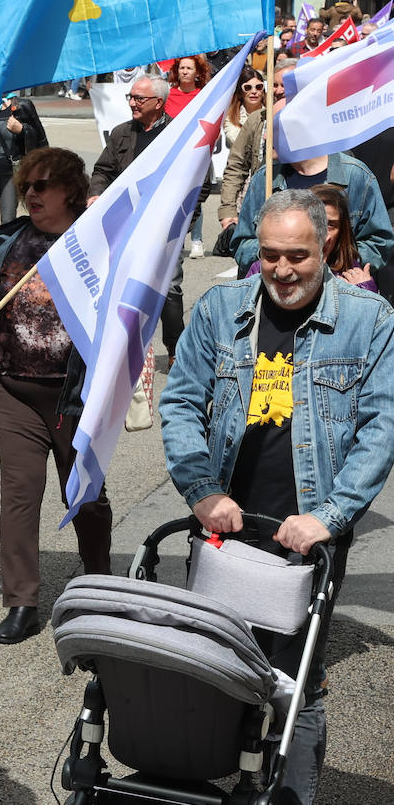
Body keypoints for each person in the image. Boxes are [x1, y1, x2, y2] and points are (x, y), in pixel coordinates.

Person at [160, 188, 394, 805]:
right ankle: (227, 780)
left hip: (307, 535)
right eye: (270, 256)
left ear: (327, 247)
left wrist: (329, 517)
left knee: (296, 680)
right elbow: (181, 401)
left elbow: (382, 427)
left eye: (298, 256)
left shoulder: (369, 322)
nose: (283, 270)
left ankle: (289, 793)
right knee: (219, 665)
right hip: (225, 524)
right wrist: (202, 491)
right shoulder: (220, 309)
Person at [0, 147, 113, 645]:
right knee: (18, 497)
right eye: (27, 185)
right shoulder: (2, 244)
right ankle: (21, 601)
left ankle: (98, 581)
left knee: (85, 493)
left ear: (70, 189)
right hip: (13, 391)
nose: (31, 194)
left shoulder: (96, 245)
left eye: (43, 186)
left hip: (73, 396)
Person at [92, 76, 190, 361]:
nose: (133, 103)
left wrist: (185, 221)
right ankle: (123, 349)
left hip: (165, 228)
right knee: (122, 285)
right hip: (126, 225)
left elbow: (201, 181)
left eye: (139, 98)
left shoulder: (179, 134)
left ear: (158, 103)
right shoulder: (121, 133)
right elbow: (102, 170)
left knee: (168, 287)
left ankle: (175, 350)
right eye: (130, 97)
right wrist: (96, 194)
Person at [232, 149, 393, 277]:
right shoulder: (264, 178)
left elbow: (380, 243)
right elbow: (241, 245)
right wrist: (272, 254)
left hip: (337, 298)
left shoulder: (357, 176)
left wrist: (336, 260)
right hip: (276, 296)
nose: (267, 136)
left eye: (278, 128)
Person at [242, 184, 376, 292]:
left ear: (342, 230)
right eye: (316, 222)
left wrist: (362, 290)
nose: (323, 231)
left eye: (330, 224)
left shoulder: (353, 273)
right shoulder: (262, 269)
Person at [219, 58, 298, 231]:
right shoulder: (258, 119)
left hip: (299, 211)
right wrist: (228, 210)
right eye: (275, 85)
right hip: (260, 209)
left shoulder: (314, 122)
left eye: (285, 85)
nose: (279, 91)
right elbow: (236, 166)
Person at [164, 55, 212, 256]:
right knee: (173, 198)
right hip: (172, 155)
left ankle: (197, 240)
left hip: (195, 153)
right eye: (182, 68)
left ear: (197, 73)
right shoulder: (167, 95)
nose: (184, 71)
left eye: (189, 68)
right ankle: (177, 241)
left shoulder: (205, 95)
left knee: (194, 197)